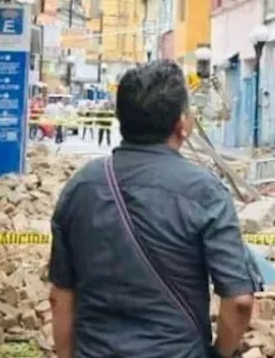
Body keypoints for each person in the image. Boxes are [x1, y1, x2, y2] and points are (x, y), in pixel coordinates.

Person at [48, 61, 260, 358]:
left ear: (119, 117)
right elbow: (239, 301)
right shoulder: (207, 193)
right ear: (182, 124)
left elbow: (61, 296)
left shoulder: (80, 188)